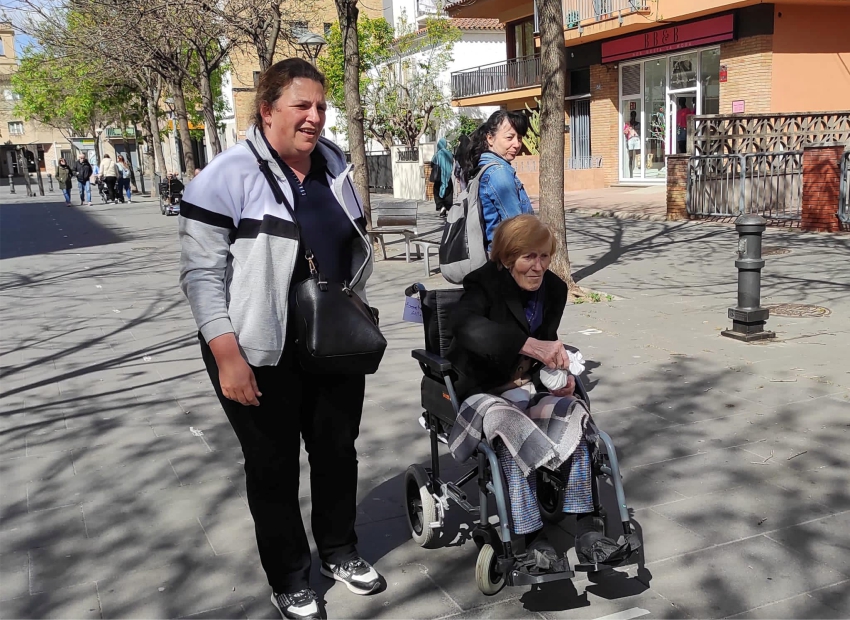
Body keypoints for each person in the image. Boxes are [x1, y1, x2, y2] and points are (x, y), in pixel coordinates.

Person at [178, 58, 380, 620]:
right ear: (266, 111)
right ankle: (290, 577)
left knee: (337, 452)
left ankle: (339, 550)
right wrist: (226, 355)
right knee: (272, 466)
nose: (315, 117)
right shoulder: (225, 176)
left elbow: (350, 244)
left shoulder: (334, 165)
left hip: (332, 339)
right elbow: (201, 275)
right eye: (301, 106)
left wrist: (361, 308)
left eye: (321, 106)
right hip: (256, 348)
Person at [446, 215, 628, 568]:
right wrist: (528, 345)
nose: (538, 266)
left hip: (526, 385)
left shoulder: (554, 289)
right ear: (506, 257)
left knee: (574, 414)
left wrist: (561, 376)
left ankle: (589, 532)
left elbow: (547, 345)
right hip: (483, 389)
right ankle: (533, 541)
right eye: (528, 257)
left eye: (544, 256)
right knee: (510, 427)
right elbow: (465, 327)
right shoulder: (482, 283)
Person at [457, 110, 533, 248]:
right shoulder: (498, 172)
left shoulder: (484, 166)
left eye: (519, 138)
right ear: (490, 139)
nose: (517, 144)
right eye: (509, 138)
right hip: (508, 255)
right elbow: (517, 228)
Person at [430, 137, 454, 217]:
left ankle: (442, 207)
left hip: (439, 178)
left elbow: (432, 164)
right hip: (448, 177)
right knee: (448, 192)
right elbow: (452, 163)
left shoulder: (437, 154)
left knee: (437, 192)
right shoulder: (449, 154)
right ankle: (446, 207)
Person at [623, 110, 641, 178]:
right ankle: (631, 174)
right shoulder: (627, 124)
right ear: (630, 116)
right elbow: (625, 132)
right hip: (630, 140)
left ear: (635, 116)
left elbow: (640, 132)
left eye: (634, 115)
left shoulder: (638, 124)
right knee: (631, 157)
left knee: (638, 155)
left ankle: (639, 171)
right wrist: (628, 130)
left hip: (637, 139)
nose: (633, 117)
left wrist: (635, 131)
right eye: (632, 115)